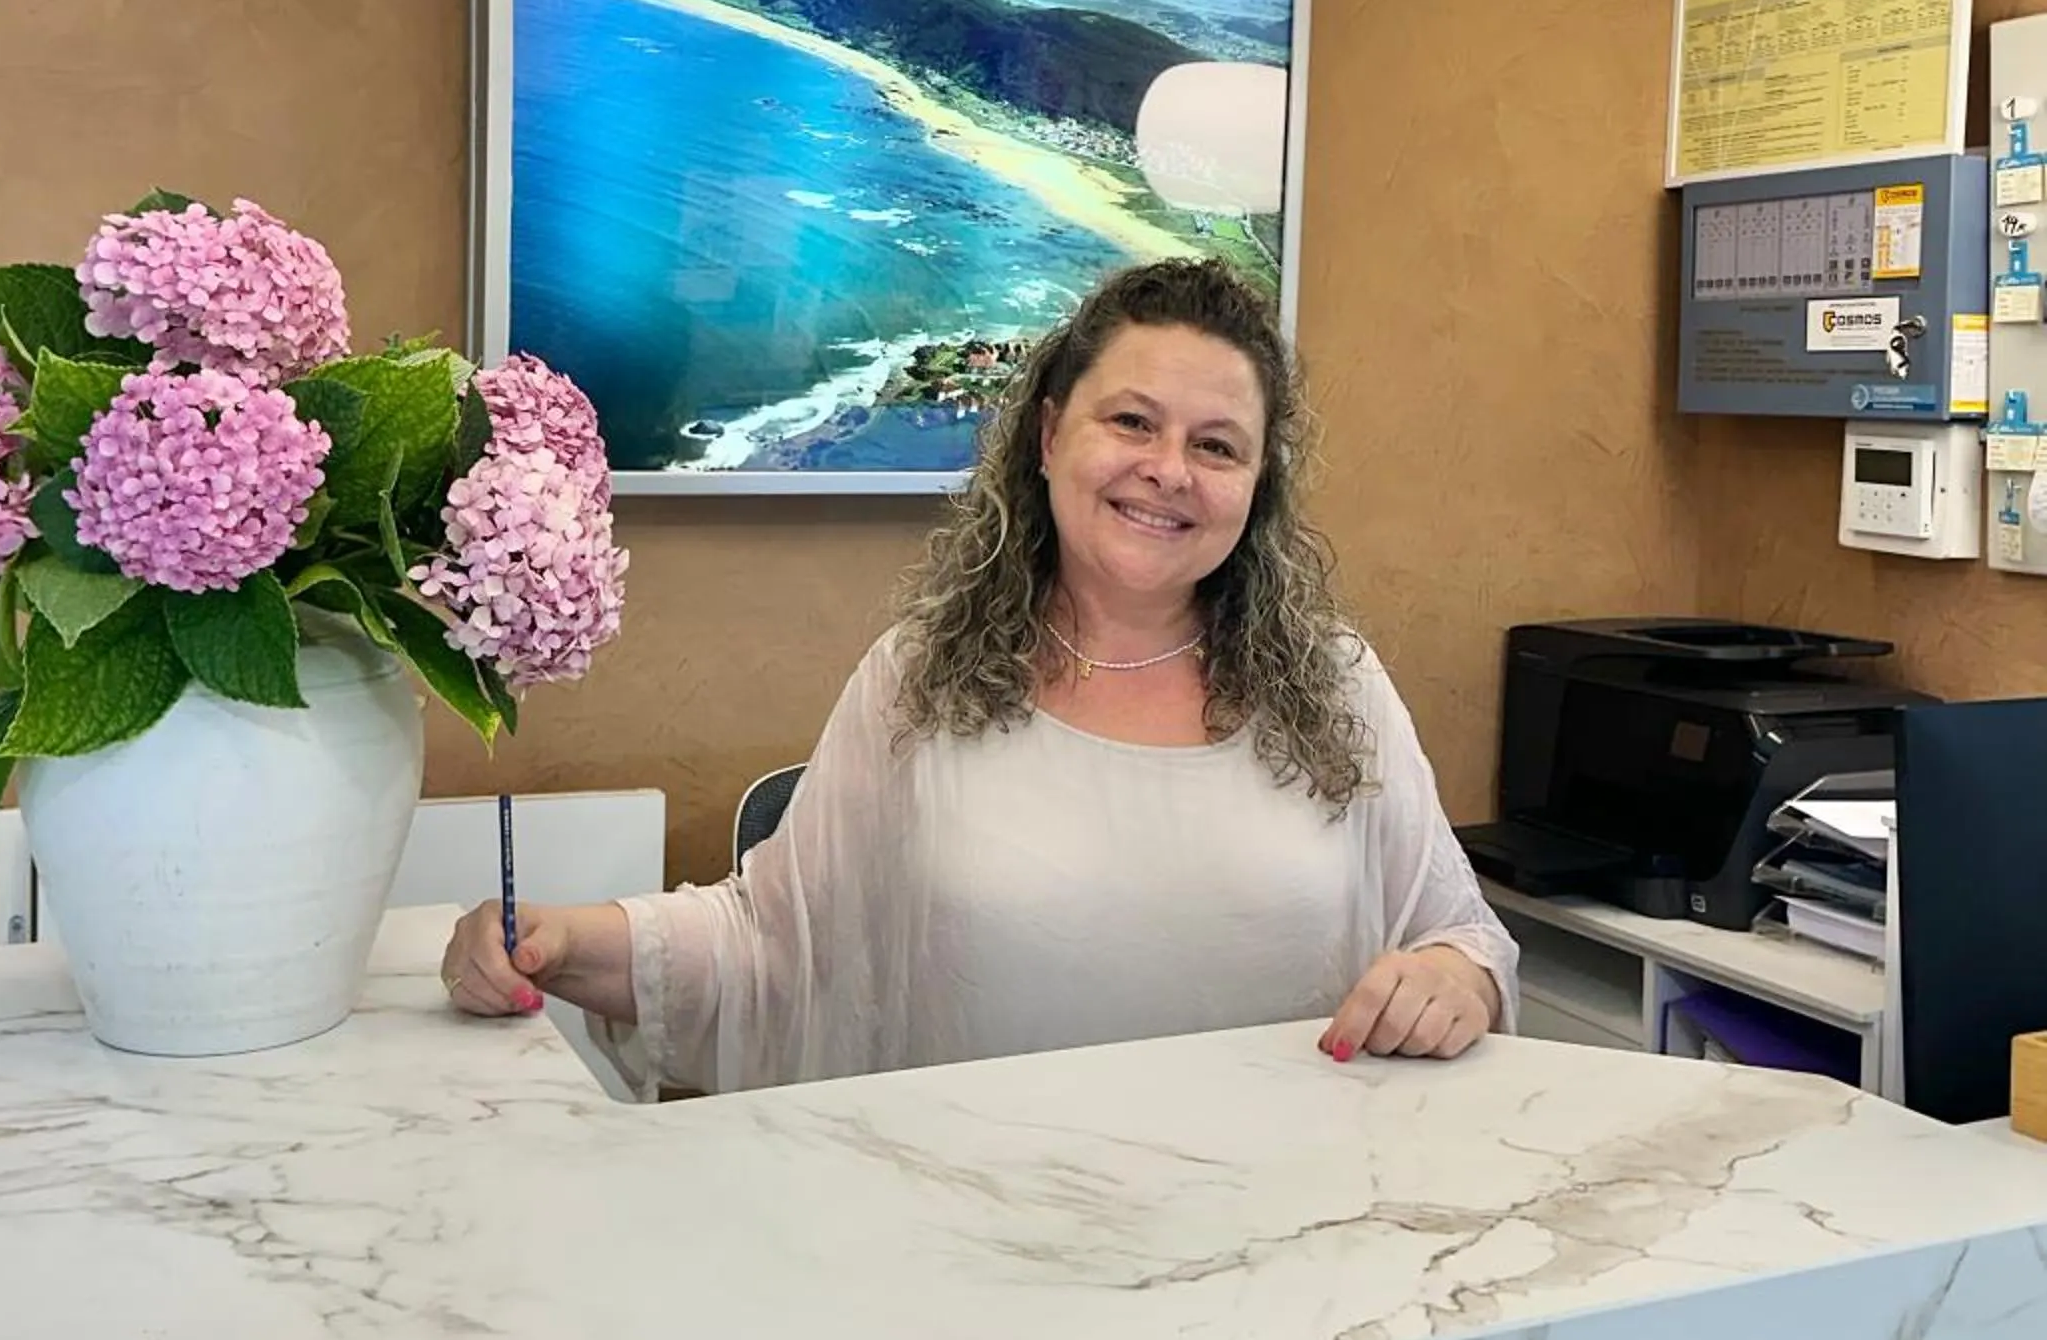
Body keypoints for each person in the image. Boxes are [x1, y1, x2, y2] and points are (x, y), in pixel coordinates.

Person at [442, 258, 1515, 1091]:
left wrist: (1454, 980)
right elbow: (775, 944)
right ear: (1050, 437)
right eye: (1131, 421)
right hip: (979, 1243)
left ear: (1256, 485)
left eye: (1219, 445)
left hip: (1279, 1248)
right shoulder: (921, 679)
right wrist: (558, 940)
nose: (1168, 470)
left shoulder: (1338, 688)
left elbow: (1464, 935)